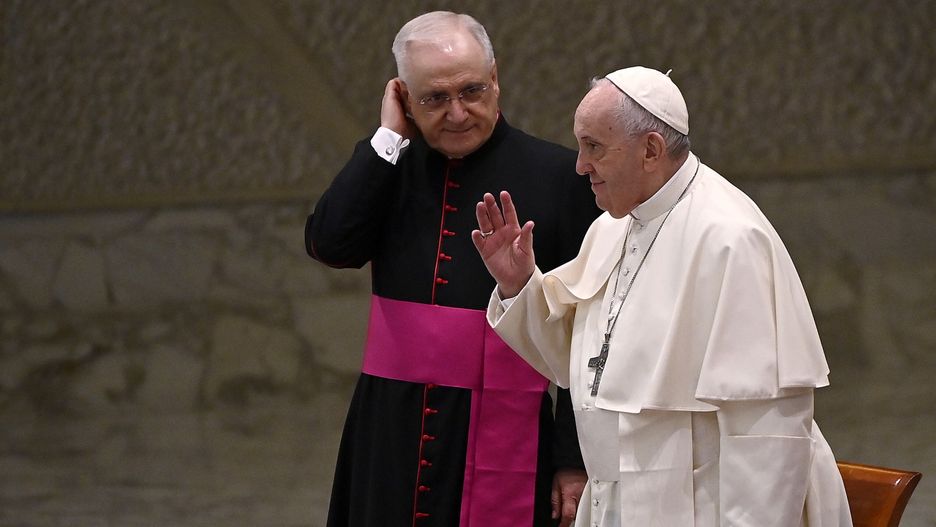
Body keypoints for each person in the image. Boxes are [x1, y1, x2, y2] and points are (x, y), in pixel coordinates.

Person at [473, 66, 853, 526]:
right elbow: (583, 367)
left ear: (650, 150)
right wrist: (518, 285)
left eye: (594, 146)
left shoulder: (729, 238)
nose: (579, 165)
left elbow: (766, 431)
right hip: (621, 500)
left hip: (704, 507)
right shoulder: (614, 227)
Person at [305, 11, 600, 527]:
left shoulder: (558, 176)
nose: (458, 113)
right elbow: (330, 244)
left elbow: (585, 333)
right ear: (402, 97)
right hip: (389, 430)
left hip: (512, 429)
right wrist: (386, 138)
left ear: (496, 77)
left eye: (472, 90)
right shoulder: (389, 165)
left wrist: (572, 460)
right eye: (434, 99)